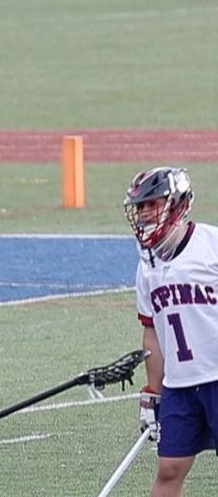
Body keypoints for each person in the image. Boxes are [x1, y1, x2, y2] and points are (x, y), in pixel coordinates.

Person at [123, 167, 218, 497]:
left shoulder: (211, 245)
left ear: (178, 204)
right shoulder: (146, 267)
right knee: (169, 468)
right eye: (140, 207)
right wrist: (153, 390)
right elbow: (152, 332)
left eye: (153, 203)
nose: (145, 213)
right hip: (180, 383)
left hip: (217, 375)